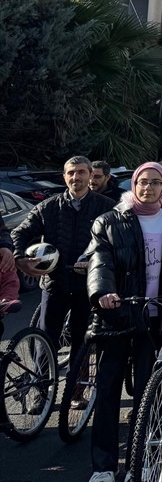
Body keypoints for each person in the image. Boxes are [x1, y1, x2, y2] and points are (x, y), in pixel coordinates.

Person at [86, 162, 162, 482]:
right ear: (133, 184)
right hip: (117, 317)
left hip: (157, 319)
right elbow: (99, 261)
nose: (148, 188)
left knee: (149, 395)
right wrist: (103, 292)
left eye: (155, 183)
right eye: (143, 182)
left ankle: (140, 461)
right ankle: (103, 466)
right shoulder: (109, 221)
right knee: (107, 392)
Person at [13, 155, 114, 362]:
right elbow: (19, 233)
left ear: (89, 175)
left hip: (87, 287)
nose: (76, 177)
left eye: (81, 172)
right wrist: (19, 258)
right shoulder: (48, 207)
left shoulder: (107, 208)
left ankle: (74, 389)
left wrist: (97, 265)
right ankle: (41, 390)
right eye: (71, 172)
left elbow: (118, 244)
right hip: (54, 284)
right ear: (64, 177)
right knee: (45, 341)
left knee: (82, 341)